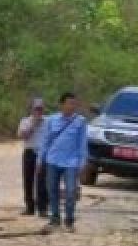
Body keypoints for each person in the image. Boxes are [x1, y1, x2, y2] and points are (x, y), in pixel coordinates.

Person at [37, 93, 88, 232]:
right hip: (53, 160)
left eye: (74, 104)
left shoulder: (80, 121)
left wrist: (83, 163)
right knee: (52, 190)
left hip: (71, 162)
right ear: (62, 104)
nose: (72, 106)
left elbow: (82, 143)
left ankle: (69, 220)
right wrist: (40, 160)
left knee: (71, 191)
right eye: (69, 103)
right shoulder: (52, 120)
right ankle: (55, 218)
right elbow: (45, 141)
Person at [18, 98, 50, 217]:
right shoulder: (25, 121)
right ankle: (29, 207)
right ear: (32, 109)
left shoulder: (48, 121)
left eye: (40, 109)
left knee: (42, 181)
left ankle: (42, 208)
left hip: (42, 153)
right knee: (28, 180)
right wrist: (33, 125)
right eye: (36, 109)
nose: (38, 111)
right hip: (29, 152)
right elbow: (21, 135)